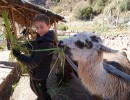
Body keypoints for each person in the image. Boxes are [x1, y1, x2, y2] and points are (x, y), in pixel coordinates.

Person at [12, 14, 56, 100]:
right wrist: (25, 44)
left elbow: (33, 63)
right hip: (36, 73)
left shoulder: (46, 43)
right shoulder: (42, 38)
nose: (39, 30)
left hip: (39, 74)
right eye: (36, 27)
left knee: (43, 94)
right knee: (35, 90)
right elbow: (35, 45)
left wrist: (19, 56)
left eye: (41, 27)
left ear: (49, 26)